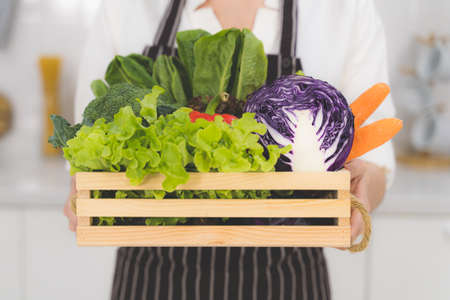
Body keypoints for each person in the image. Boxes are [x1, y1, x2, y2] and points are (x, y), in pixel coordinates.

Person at [64, 0, 396, 299]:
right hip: (152, 275)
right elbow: (86, 144)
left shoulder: (344, 10)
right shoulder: (126, 8)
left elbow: (374, 163)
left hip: (287, 276)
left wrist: (363, 184)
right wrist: (84, 194)